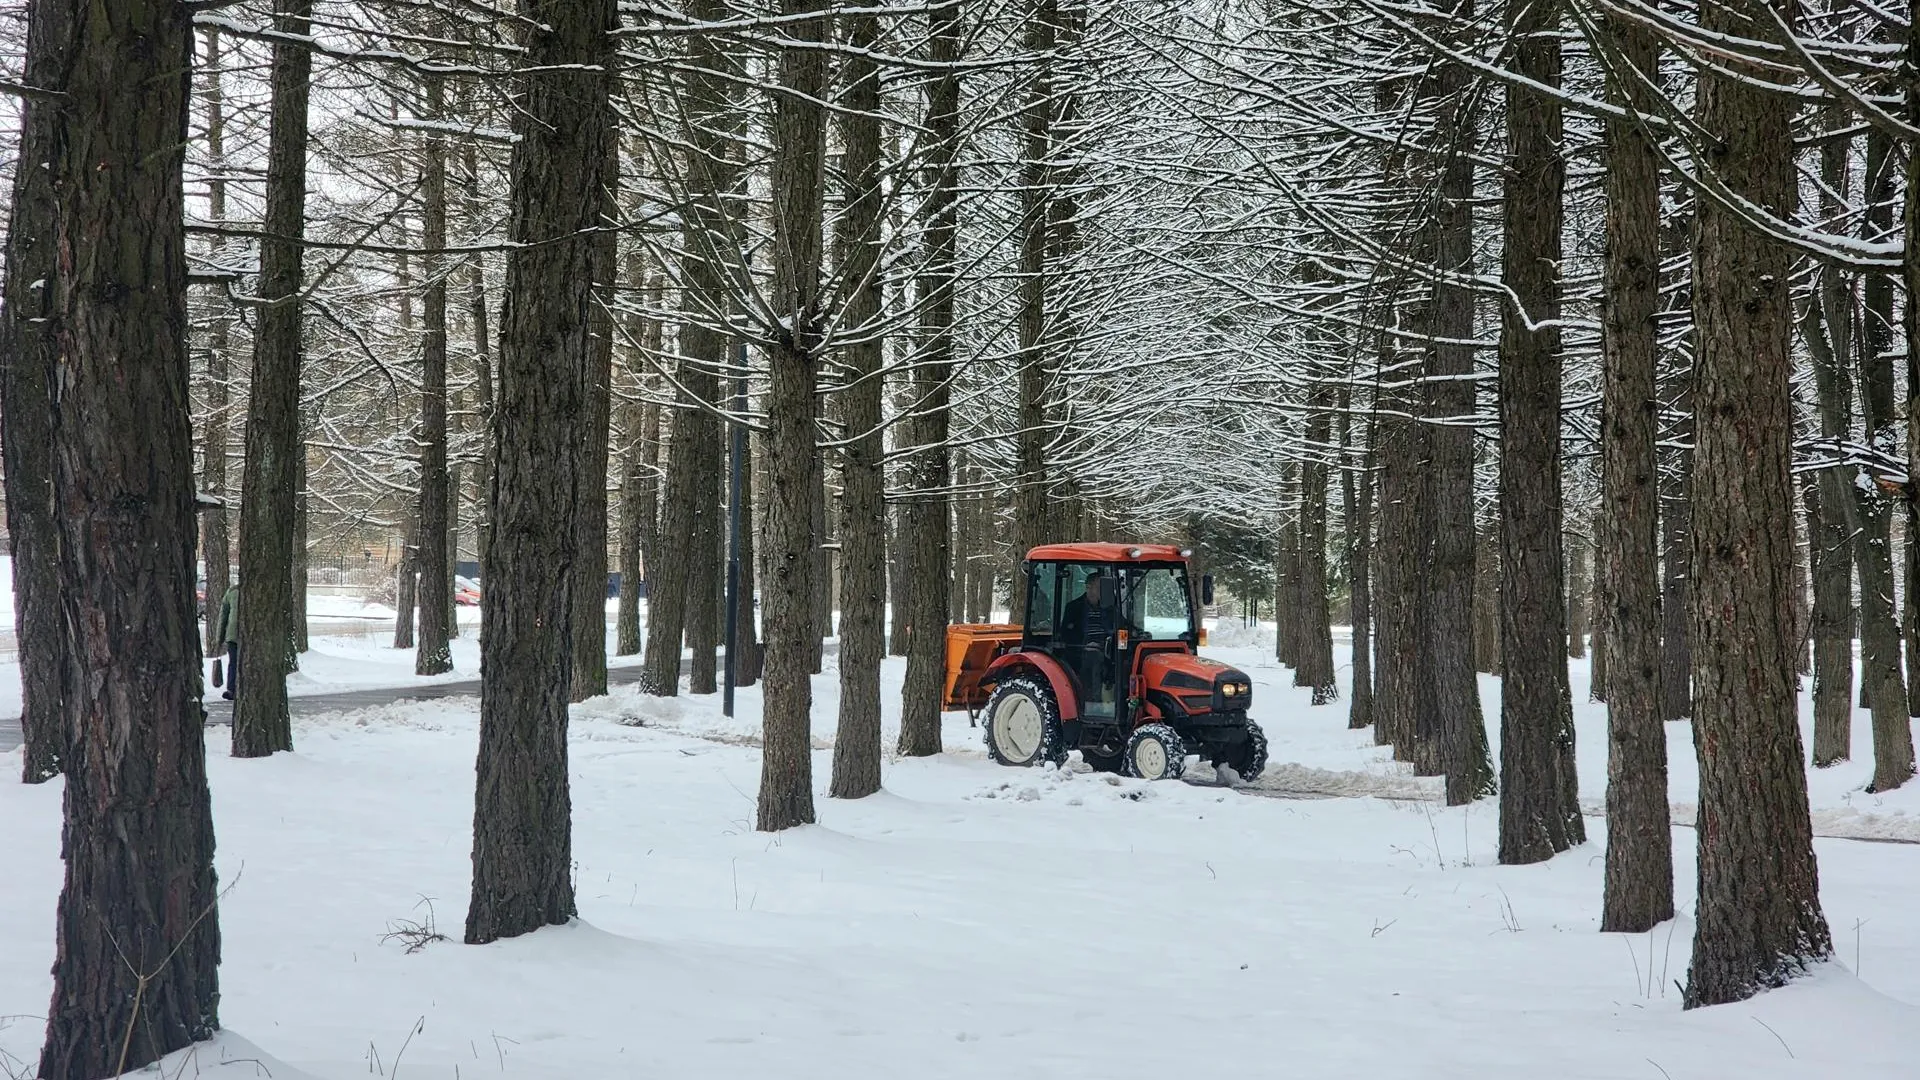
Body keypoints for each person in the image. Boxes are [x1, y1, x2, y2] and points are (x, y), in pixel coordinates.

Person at [214, 585, 239, 701]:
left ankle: (231, 689)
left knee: (233, 662)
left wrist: (219, 638)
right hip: (235, 634)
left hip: (232, 634)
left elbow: (223, 616)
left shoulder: (232, 591)